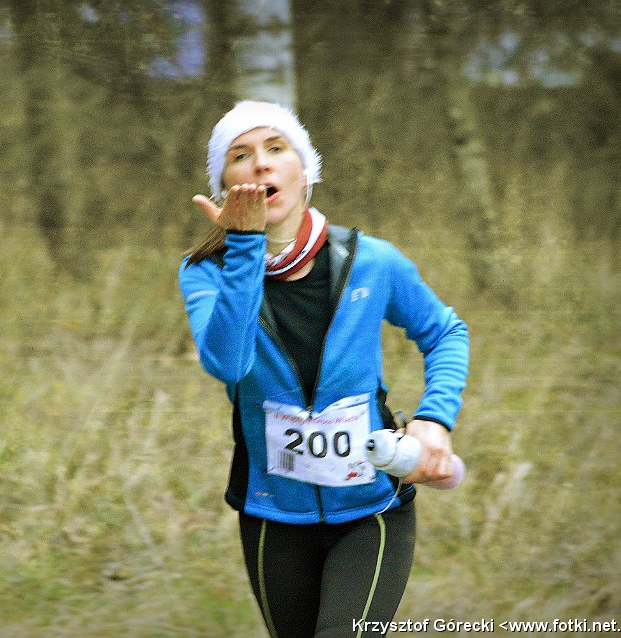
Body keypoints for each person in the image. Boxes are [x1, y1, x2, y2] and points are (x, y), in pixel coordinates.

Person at [177, 100, 469, 638]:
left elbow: (445, 332)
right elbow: (228, 363)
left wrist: (434, 419)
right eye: (240, 155)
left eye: (276, 148)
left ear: (305, 171)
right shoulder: (205, 273)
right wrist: (245, 245)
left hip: (372, 507)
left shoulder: (373, 261)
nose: (260, 163)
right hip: (272, 515)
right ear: (224, 188)